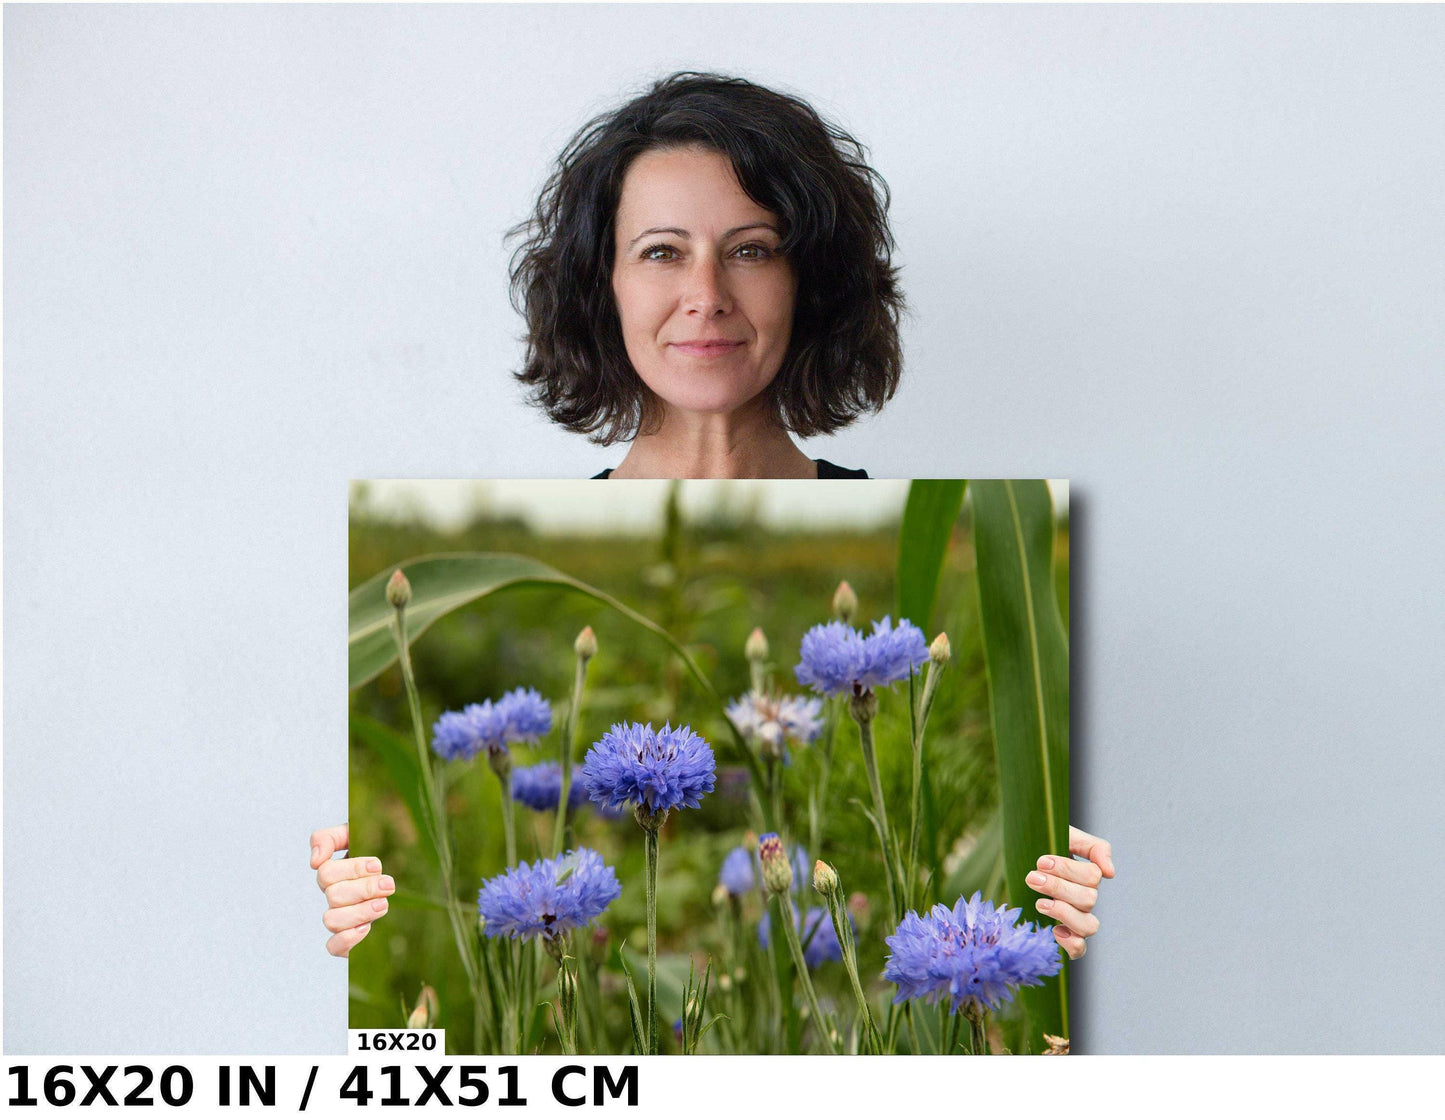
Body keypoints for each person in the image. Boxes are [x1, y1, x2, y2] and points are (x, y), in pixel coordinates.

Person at [316, 73, 1113, 959]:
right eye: (661, 251)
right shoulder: (538, 541)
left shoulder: (955, 532)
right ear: (603, 285)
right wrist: (343, 921)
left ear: (809, 281)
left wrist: (1067, 885)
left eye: (751, 250)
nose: (706, 294)